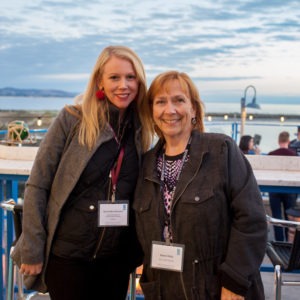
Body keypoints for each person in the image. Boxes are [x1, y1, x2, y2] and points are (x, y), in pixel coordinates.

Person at [11, 45, 150, 300]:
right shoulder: (72, 119)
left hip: (115, 260)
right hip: (68, 256)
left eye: (131, 77)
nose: (124, 85)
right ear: (100, 80)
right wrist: (32, 247)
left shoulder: (141, 130)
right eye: (114, 77)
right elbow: (38, 185)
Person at [133, 71, 267, 300]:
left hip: (217, 289)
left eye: (179, 100)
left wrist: (234, 282)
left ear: (194, 109)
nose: (170, 110)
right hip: (164, 289)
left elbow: (251, 220)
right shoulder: (145, 164)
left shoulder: (221, 150)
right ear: (152, 110)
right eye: (161, 102)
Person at [268, 131, 297, 241]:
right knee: (288, 217)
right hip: (289, 189)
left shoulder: (271, 154)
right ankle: (288, 242)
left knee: (276, 216)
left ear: (278, 141)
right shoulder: (293, 154)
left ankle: (279, 241)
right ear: (288, 141)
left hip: (274, 187)